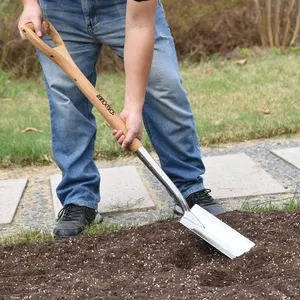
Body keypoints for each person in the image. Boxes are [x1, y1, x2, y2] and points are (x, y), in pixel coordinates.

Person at [18, 0, 224, 239]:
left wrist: (133, 108)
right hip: (59, 10)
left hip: (123, 6)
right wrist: (30, 4)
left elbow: (139, 25)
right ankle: (79, 199)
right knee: (66, 103)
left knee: (164, 87)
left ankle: (188, 187)